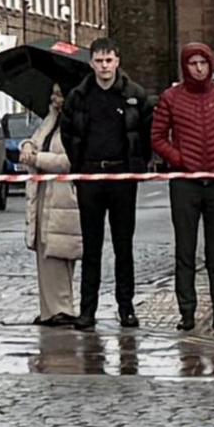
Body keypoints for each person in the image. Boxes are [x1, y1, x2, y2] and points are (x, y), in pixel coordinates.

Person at [152, 42, 214, 332]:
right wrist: (179, 159)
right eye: (193, 63)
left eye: (203, 63)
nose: (198, 68)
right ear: (185, 66)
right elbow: (157, 137)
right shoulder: (171, 97)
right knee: (185, 250)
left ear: (210, 65)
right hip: (185, 183)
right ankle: (187, 312)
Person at [62, 42, 151, 327]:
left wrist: (137, 164)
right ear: (91, 63)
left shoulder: (134, 95)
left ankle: (126, 307)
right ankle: (88, 309)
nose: (104, 66)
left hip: (122, 177)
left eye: (108, 60)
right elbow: (68, 133)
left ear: (117, 61)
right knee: (92, 246)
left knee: (123, 246)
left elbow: (146, 133)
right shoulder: (78, 96)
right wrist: (78, 165)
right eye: (99, 60)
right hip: (90, 176)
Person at [26, 94, 84, 325]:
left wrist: (37, 158)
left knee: (59, 251)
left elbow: (69, 160)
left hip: (64, 197)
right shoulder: (51, 120)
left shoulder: (75, 122)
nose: (55, 99)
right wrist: (28, 147)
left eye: (60, 94)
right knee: (44, 250)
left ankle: (62, 308)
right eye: (53, 94)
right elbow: (36, 140)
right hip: (44, 193)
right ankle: (49, 310)